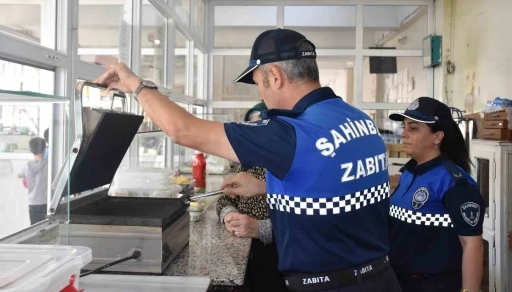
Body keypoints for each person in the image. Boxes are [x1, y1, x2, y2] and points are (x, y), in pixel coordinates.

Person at [95, 28, 401, 292]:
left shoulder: (291, 131)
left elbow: (182, 130)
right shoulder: (358, 121)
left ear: (275, 77)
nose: (261, 94)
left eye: (258, 83)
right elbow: (334, 184)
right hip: (381, 278)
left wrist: (136, 84)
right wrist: (265, 186)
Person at [387, 97, 485, 292]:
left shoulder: (454, 183)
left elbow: (472, 244)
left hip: (434, 284)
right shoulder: (409, 172)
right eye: (404, 126)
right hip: (399, 281)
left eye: (413, 128)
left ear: (437, 137)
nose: (403, 134)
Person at [216, 102, 287, 292]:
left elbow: (305, 222)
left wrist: (261, 228)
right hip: (247, 250)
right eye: (252, 131)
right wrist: (229, 215)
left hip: (279, 257)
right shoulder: (249, 163)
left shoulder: (288, 166)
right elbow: (226, 198)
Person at [17, 137, 48, 225]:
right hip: (45, 202)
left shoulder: (27, 165)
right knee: (45, 227)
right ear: (44, 148)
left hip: (32, 202)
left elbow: (18, 175)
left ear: (31, 149)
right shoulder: (48, 164)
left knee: (34, 227)